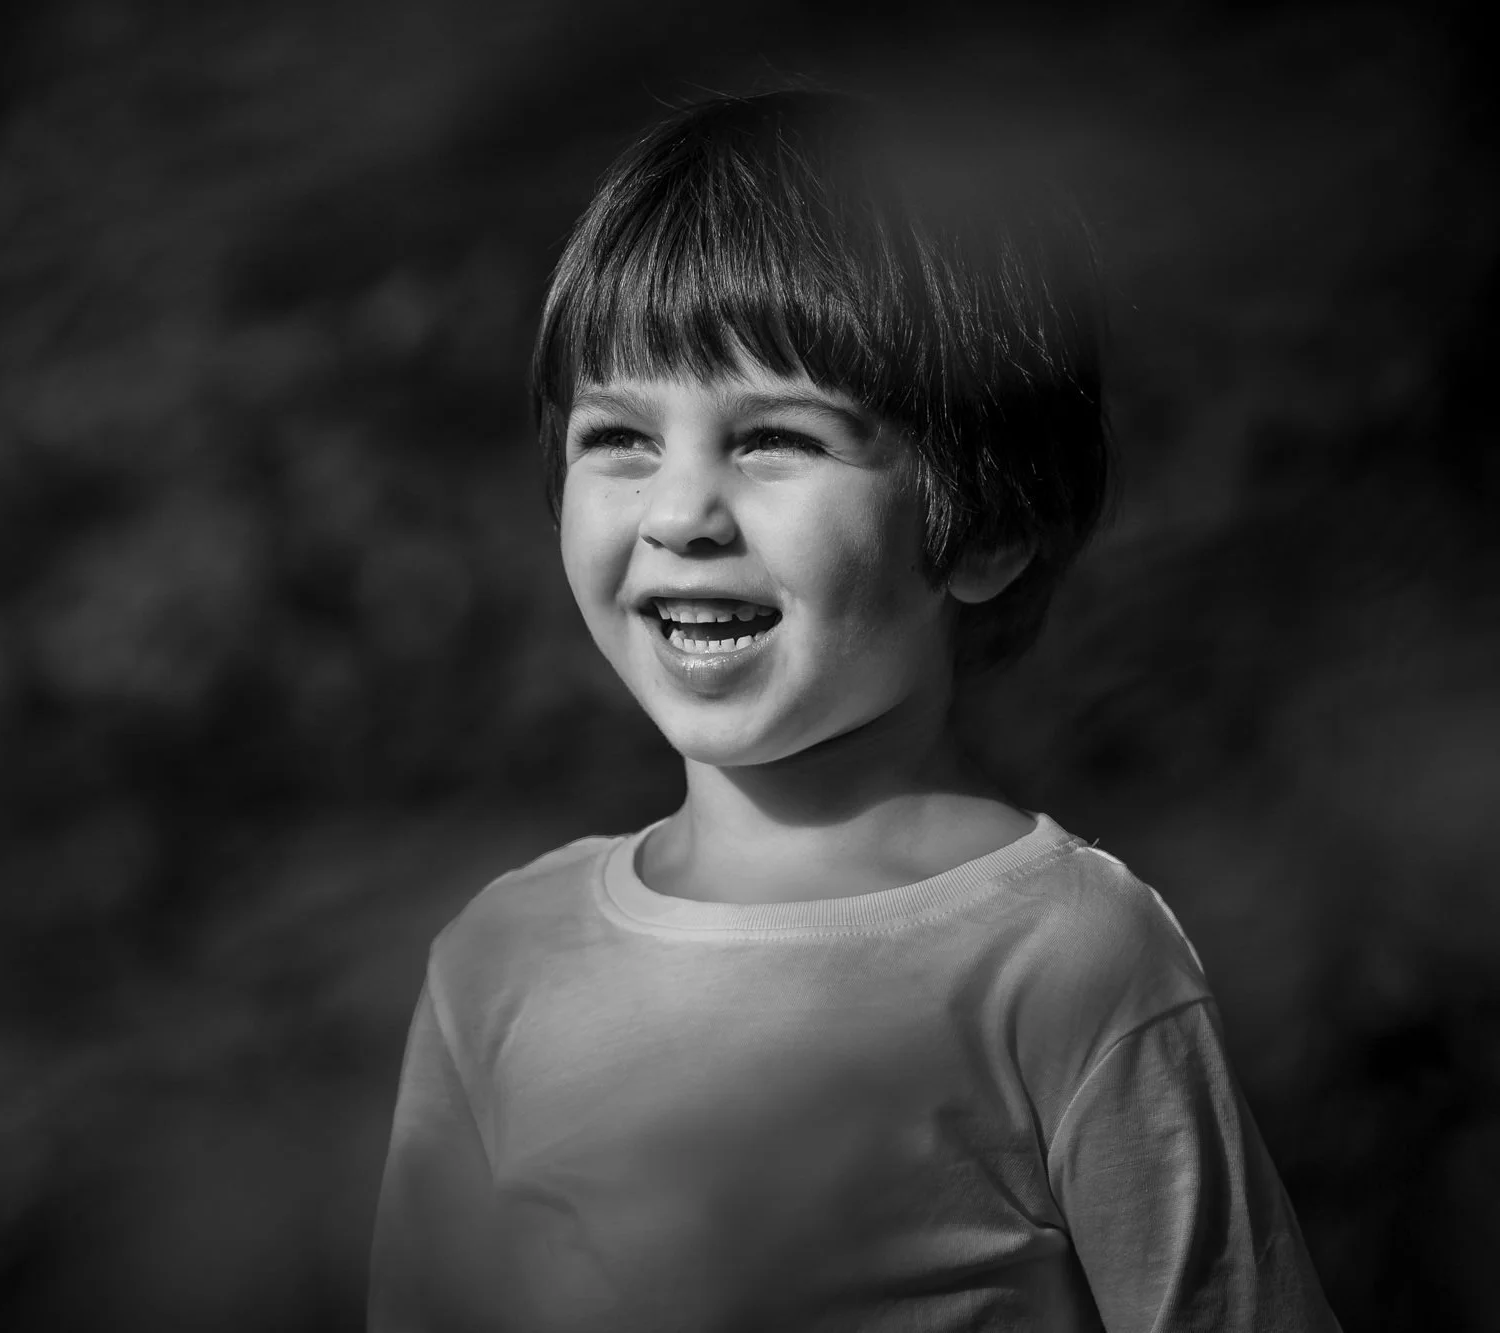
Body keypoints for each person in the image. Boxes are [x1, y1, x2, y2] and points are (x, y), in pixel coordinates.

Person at [367, 90, 1339, 1332]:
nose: (679, 514)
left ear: (984, 521)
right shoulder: (493, 962)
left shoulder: (1069, 957)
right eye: (619, 436)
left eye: (772, 436)